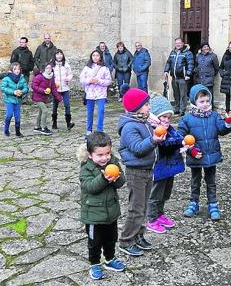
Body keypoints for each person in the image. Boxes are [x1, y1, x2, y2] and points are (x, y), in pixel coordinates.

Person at [117, 87, 165, 256]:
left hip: (146, 169)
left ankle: (138, 235)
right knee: (136, 208)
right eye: (146, 105)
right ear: (136, 107)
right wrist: (153, 140)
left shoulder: (143, 121)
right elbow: (137, 148)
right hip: (135, 172)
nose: (149, 108)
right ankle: (126, 240)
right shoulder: (129, 127)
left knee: (143, 207)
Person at [179, 85, 231, 221]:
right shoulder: (187, 119)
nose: (205, 104)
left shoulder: (214, 116)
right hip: (196, 156)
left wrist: (227, 123)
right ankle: (194, 203)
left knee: (211, 181)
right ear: (194, 102)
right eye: (201, 101)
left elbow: (222, 130)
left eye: (207, 101)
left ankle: (213, 204)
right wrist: (191, 149)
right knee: (195, 181)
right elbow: (181, 136)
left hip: (211, 156)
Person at [79, 132, 127, 280]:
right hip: (93, 215)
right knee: (94, 242)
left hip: (111, 212)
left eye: (107, 153)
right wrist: (104, 178)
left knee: (111, 238)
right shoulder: (86, 169)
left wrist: (116, 177)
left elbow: (121, 182)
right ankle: (94, 264)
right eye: (100, 155)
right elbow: (90, 187)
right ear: (90, 155)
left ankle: (110, 259)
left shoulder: (113, 163)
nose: (105, 158)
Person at [145, 95, 186, 234]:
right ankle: (151, 219)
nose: (167, 120)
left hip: (169, 168)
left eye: (169, 117)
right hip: (159, 168)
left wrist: (183, 143)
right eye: (164, 117)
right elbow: (164, 146)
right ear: (156, 117)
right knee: (155, 195)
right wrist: (179, 144)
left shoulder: (170, 129)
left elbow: (178, 138)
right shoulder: (154, 130)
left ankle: (160, 214)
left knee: (165, 194)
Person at [80, 50, 112, 136]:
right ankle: (89, 130)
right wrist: (89, 80)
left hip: (101, 93)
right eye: (93, 55)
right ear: (91, 57)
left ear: (100, 57)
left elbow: (109, 81)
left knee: (101, 111)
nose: (95, 57)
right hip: (90, 93)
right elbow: (82, 79)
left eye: (97, 55)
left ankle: (99, 130)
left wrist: (99, 81)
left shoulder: (104, 68)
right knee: (90, 112)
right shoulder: (87, 68)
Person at [164, 38, 194, 116]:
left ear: (183, 43)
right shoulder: (173, 52)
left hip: (182, 78)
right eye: (176, 43)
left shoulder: (187, 53)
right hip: (174, 77)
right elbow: (168, 62)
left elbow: (190, 64)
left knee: (183, 94)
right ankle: (177, 108)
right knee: (176, 94)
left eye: (179, 43)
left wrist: (188, 74)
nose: (177, 44)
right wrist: (166, 71)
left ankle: (182, 110)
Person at [31, 63, 62, 136]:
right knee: (45, 110)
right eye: (47, 68)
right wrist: (43, 90)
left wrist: (59, 97)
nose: (49, 70)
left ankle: (37, 126)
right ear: (43, 69)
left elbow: (53, 88)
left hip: (44, 98)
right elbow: (34, 86)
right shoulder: (39, 77)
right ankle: (43, 128)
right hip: (37, 97)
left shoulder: (51, 77)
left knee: (41, 112)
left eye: (50, 68)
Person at [0, 62, 29, 137]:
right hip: (9, 100)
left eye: (18, 69)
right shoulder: (6, 79)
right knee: (9, 114)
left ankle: (18, 132)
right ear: (11, 70)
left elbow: (26, 87)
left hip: (18, 100)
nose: (17, 70)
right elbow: (3, 88)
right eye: (15, 69)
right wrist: (13, 92)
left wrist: (22, 92)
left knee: (17, 116)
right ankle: (6, 129)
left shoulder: (22, 78)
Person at [51, 49, 75, 130]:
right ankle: (54, 122)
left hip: (65, 88)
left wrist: (68, 78)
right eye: (57, 54)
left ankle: (68, 123)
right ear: (55, 56)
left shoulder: (66, 65)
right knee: (55, 106)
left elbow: (70, 74)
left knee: (67, 105)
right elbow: (49, 75)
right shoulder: (52, 65)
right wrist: (53, 83)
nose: (59, 56)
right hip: (56, 89)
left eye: (61, 54)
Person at [194, 43, 219, 108]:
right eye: (204, 47)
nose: (206, 48)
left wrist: (212, 75)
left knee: (209, 95)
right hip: (200, 79)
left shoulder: (213, 56)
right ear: (201, 48)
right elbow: (196, 65)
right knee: (200, 95)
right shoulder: (198, 56)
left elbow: (216, 68)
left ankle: (211, 109)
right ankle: (201, 108)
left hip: (209, 79)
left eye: (207, 47)